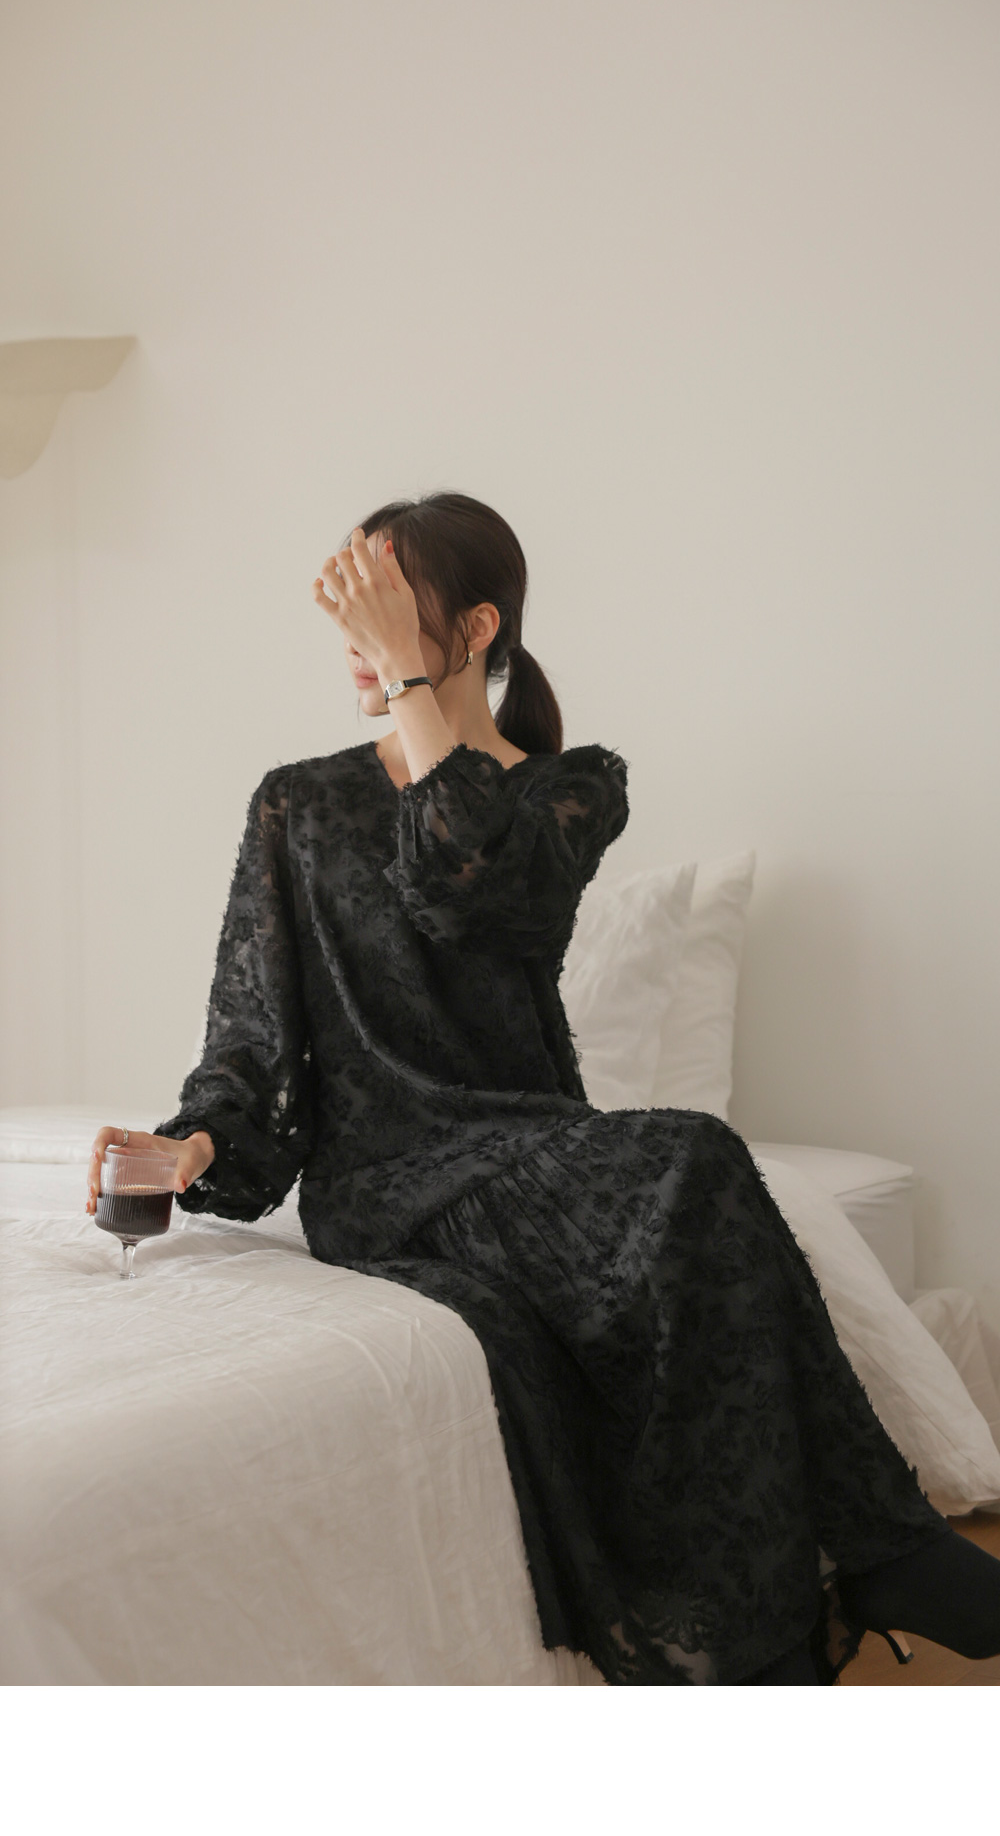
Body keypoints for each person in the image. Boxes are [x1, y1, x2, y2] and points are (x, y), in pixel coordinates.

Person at [86, 490, 1000, 1685]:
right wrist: (195, 1145)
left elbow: (466, 886)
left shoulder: (571, 789)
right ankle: (884, 1550)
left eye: (386, 611)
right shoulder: (296, 802)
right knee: (695, 1160)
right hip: (385, 1177)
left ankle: (827, 1592)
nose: (357, 642)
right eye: (349, 614)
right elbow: (252, 1036)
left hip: (530, 1143)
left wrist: (412, 686)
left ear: (474, 628)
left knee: (692, 1163)